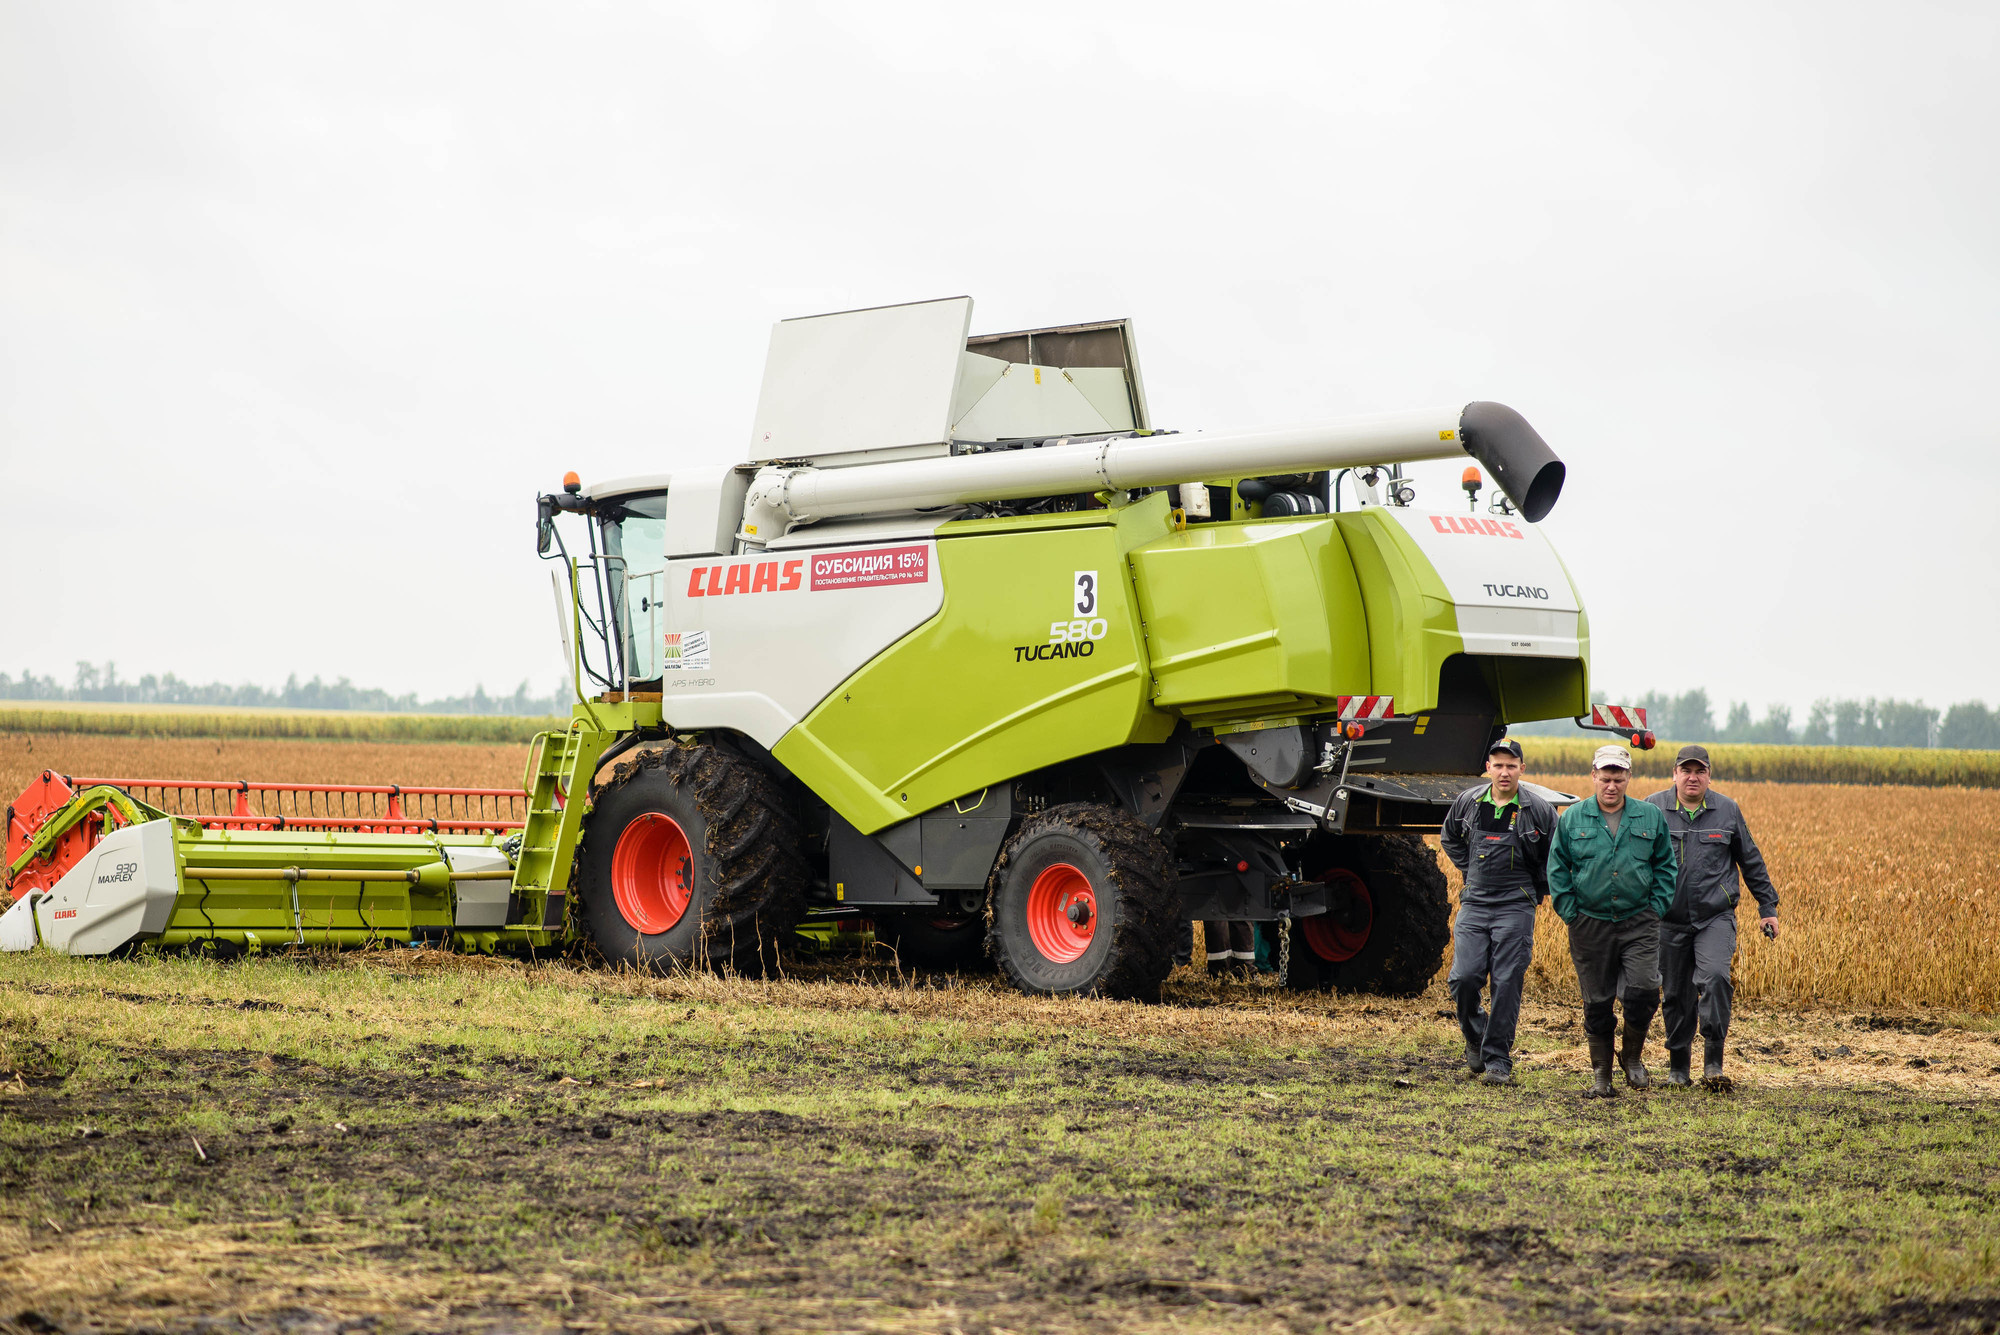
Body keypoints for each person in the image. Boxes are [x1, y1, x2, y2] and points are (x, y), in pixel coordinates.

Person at [1547, 744, 1677, 1097]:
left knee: (1645, 990)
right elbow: (1557, 868)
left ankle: (1631, 1057)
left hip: (1639, 922)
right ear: (1593, 776)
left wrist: (1656, 908)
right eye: (1605, 778)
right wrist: (1570, 912)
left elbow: (1666, 865)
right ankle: (1601, 1071)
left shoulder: (1650, 816)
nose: (1611, 785)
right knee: (1598, 1002)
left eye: (1618, 779)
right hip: (1589, 924)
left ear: (1628, 778)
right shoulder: (1573, 818)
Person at [1644, 744, 1780, 1084]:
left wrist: (1767, 908)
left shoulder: (1727, 811)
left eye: (1699, 771)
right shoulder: (1652, 808)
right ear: (1674, 774)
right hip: (1667, 918)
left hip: (1714, 917)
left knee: (1716, 978)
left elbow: (1751, 860)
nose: (1692, 777)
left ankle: (1713, 1063)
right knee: (1675, 994)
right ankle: (1678, 1068)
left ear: (1708, 775)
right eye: (1685, 771)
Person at [1439, 738, 1558, 1086]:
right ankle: (1476, 1037)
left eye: (1511, 764)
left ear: (1522, 768)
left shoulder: (1537, 809)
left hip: (1515, 902)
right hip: (1475, 901)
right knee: (1463, 977)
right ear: (1488, 768)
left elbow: (1556, 853)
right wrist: (1469, 873)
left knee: (1506, 982)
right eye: (1498, 764)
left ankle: (1497, 1061)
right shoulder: (1468, 802)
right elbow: (1449, 838)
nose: (1504, 771)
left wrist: (1536, 890)